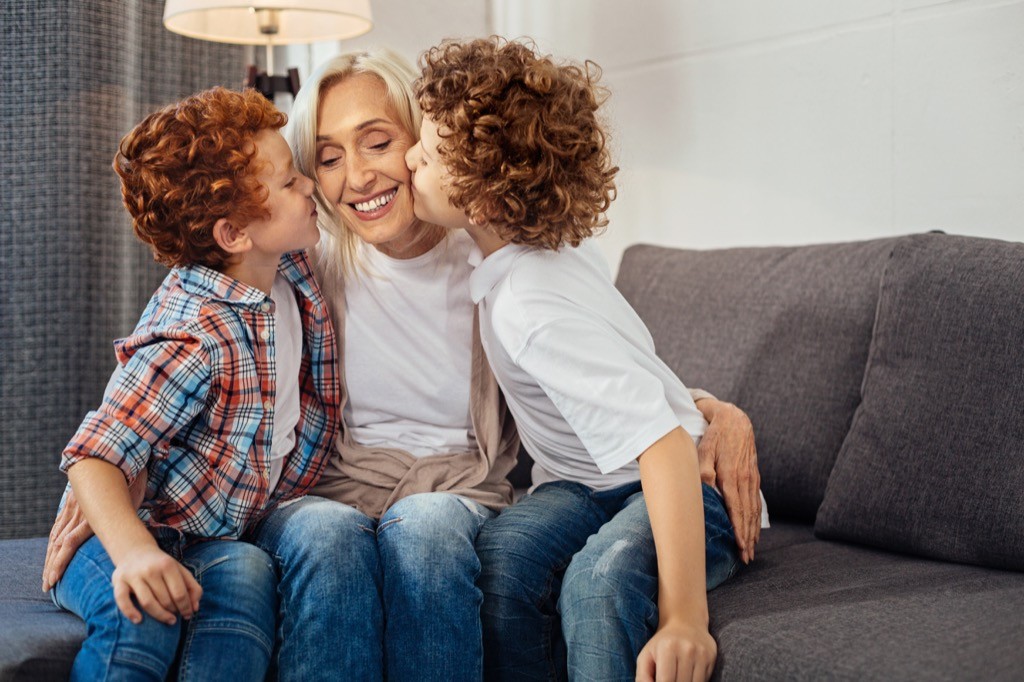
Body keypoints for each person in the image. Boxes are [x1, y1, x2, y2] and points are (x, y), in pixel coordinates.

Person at [44, 48, 762, 681]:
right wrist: (114, 490)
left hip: (457, 490)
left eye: (380, 142)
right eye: (325, 159)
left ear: (425, 146)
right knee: (326, 536)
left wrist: (712, 412)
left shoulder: (498, 251)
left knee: (426, 531)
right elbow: (183, 336)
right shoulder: (305, 262)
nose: (355, 177)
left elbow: (611, 371)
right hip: (334, 490)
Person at [405, 37, 769, 681]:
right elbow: (630, 366)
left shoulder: (530, 306)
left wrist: (685, 619)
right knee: (503, 564)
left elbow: (662, 445)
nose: (409, 157)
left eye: (427, 155)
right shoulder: (537, 251)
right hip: (583, 486)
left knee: (598, 583)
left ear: (483, 200)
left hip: (684, 486)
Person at [47, 86, 340, 681]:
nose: (310, 184)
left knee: (247, 584)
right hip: (122, 531)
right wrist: (134, 552)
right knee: (141, 617)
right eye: (290, 181)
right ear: (234, 235)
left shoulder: (287, 266)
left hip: (211, 537)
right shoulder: (195, 334)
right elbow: (94, 456)